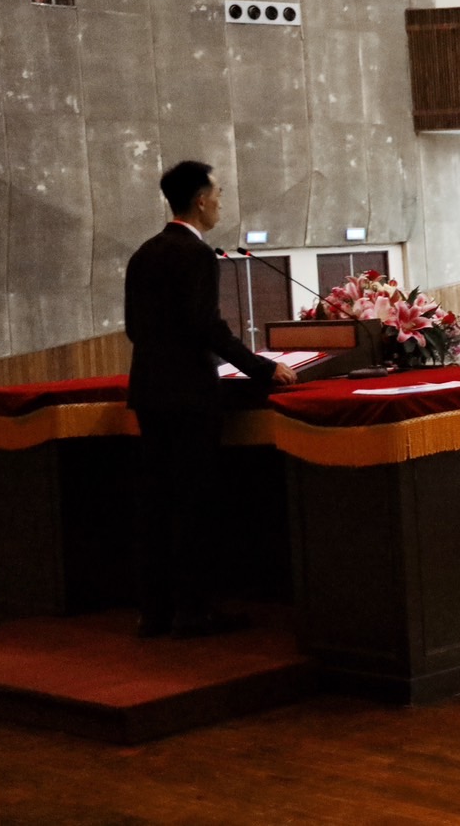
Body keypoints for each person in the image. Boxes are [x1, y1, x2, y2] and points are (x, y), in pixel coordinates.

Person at [125, 160, 298, 639]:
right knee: (193, 504)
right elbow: (207, 326)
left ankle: (153, 613)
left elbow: (135, 329)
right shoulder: (196, 255)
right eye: (218, 192)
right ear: (200, 200)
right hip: (188, 396)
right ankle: (194, 611)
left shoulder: (144, 253)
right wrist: (263, 367)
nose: (221, 200)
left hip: (150, 392)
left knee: (156, 505)